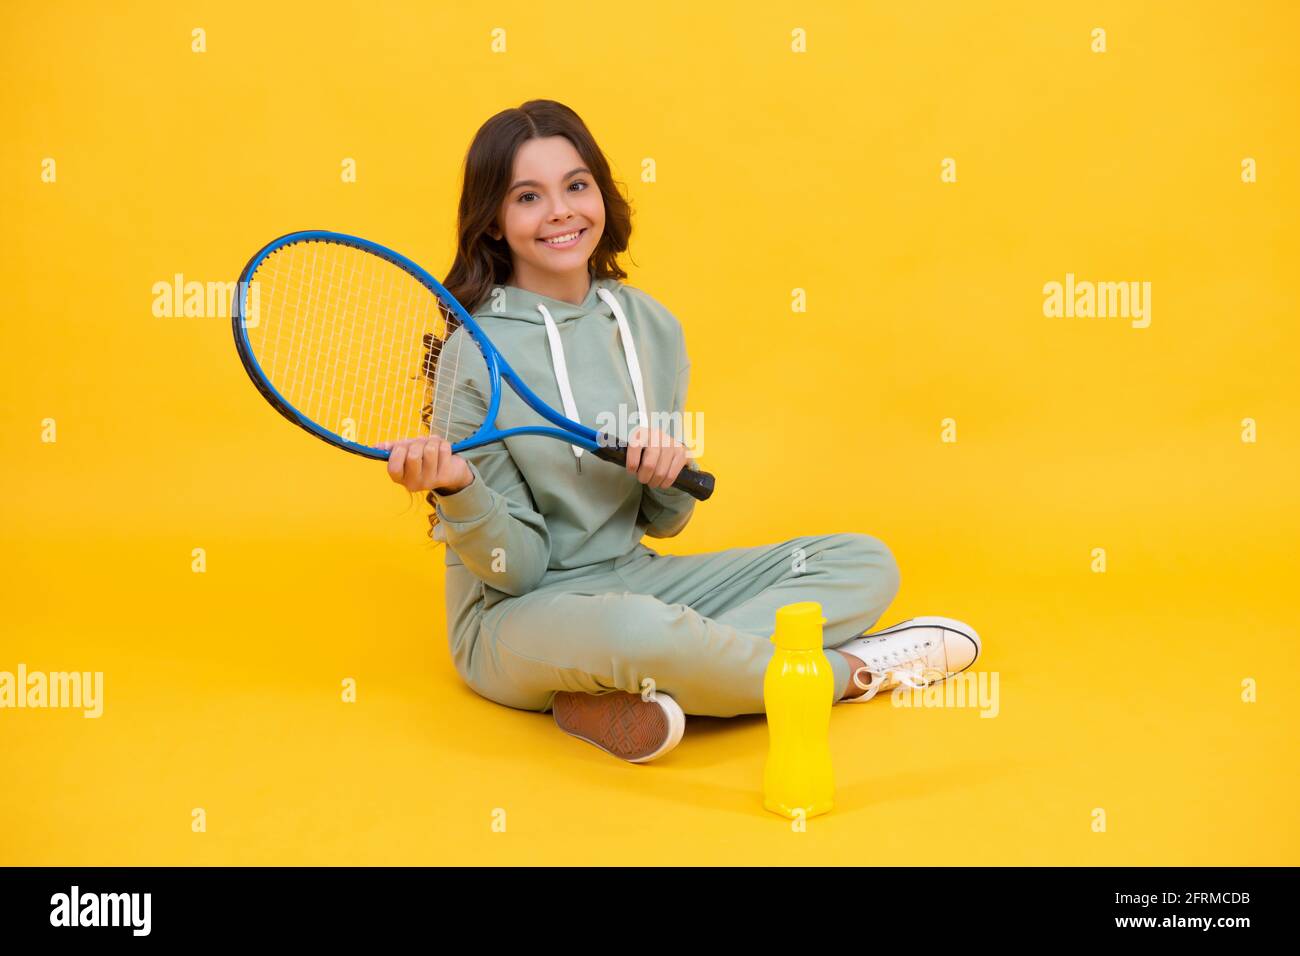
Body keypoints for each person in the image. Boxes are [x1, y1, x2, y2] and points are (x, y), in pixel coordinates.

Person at [380, 100, 981, 763]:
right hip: (514, 619)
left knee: (863, 561)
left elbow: (663, 524)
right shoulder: (474, 354)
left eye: (576, 185)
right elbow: (515, 572)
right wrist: (459, 487)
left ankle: (639, 686)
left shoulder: (652, 328)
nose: (560, 211)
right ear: (494, 222)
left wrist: (665, 476)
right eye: (528, 196)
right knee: (638, 630)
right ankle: (845, 674)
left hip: (636, 581)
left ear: (601, 193)